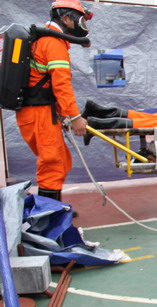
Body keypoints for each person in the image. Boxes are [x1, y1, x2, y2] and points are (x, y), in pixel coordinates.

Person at [15, 0, 92, 201]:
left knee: (59, 160)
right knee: (52, 164)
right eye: (80, 20)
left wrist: (62, 115)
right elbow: (61, 85)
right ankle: (49, 214)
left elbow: (47, 83)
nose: (82, 25)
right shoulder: (53, 43)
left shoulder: (44, 40)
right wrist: (74, 116)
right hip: (39, 114)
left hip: (38, 113)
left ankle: (54, 208)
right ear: (66, 18)